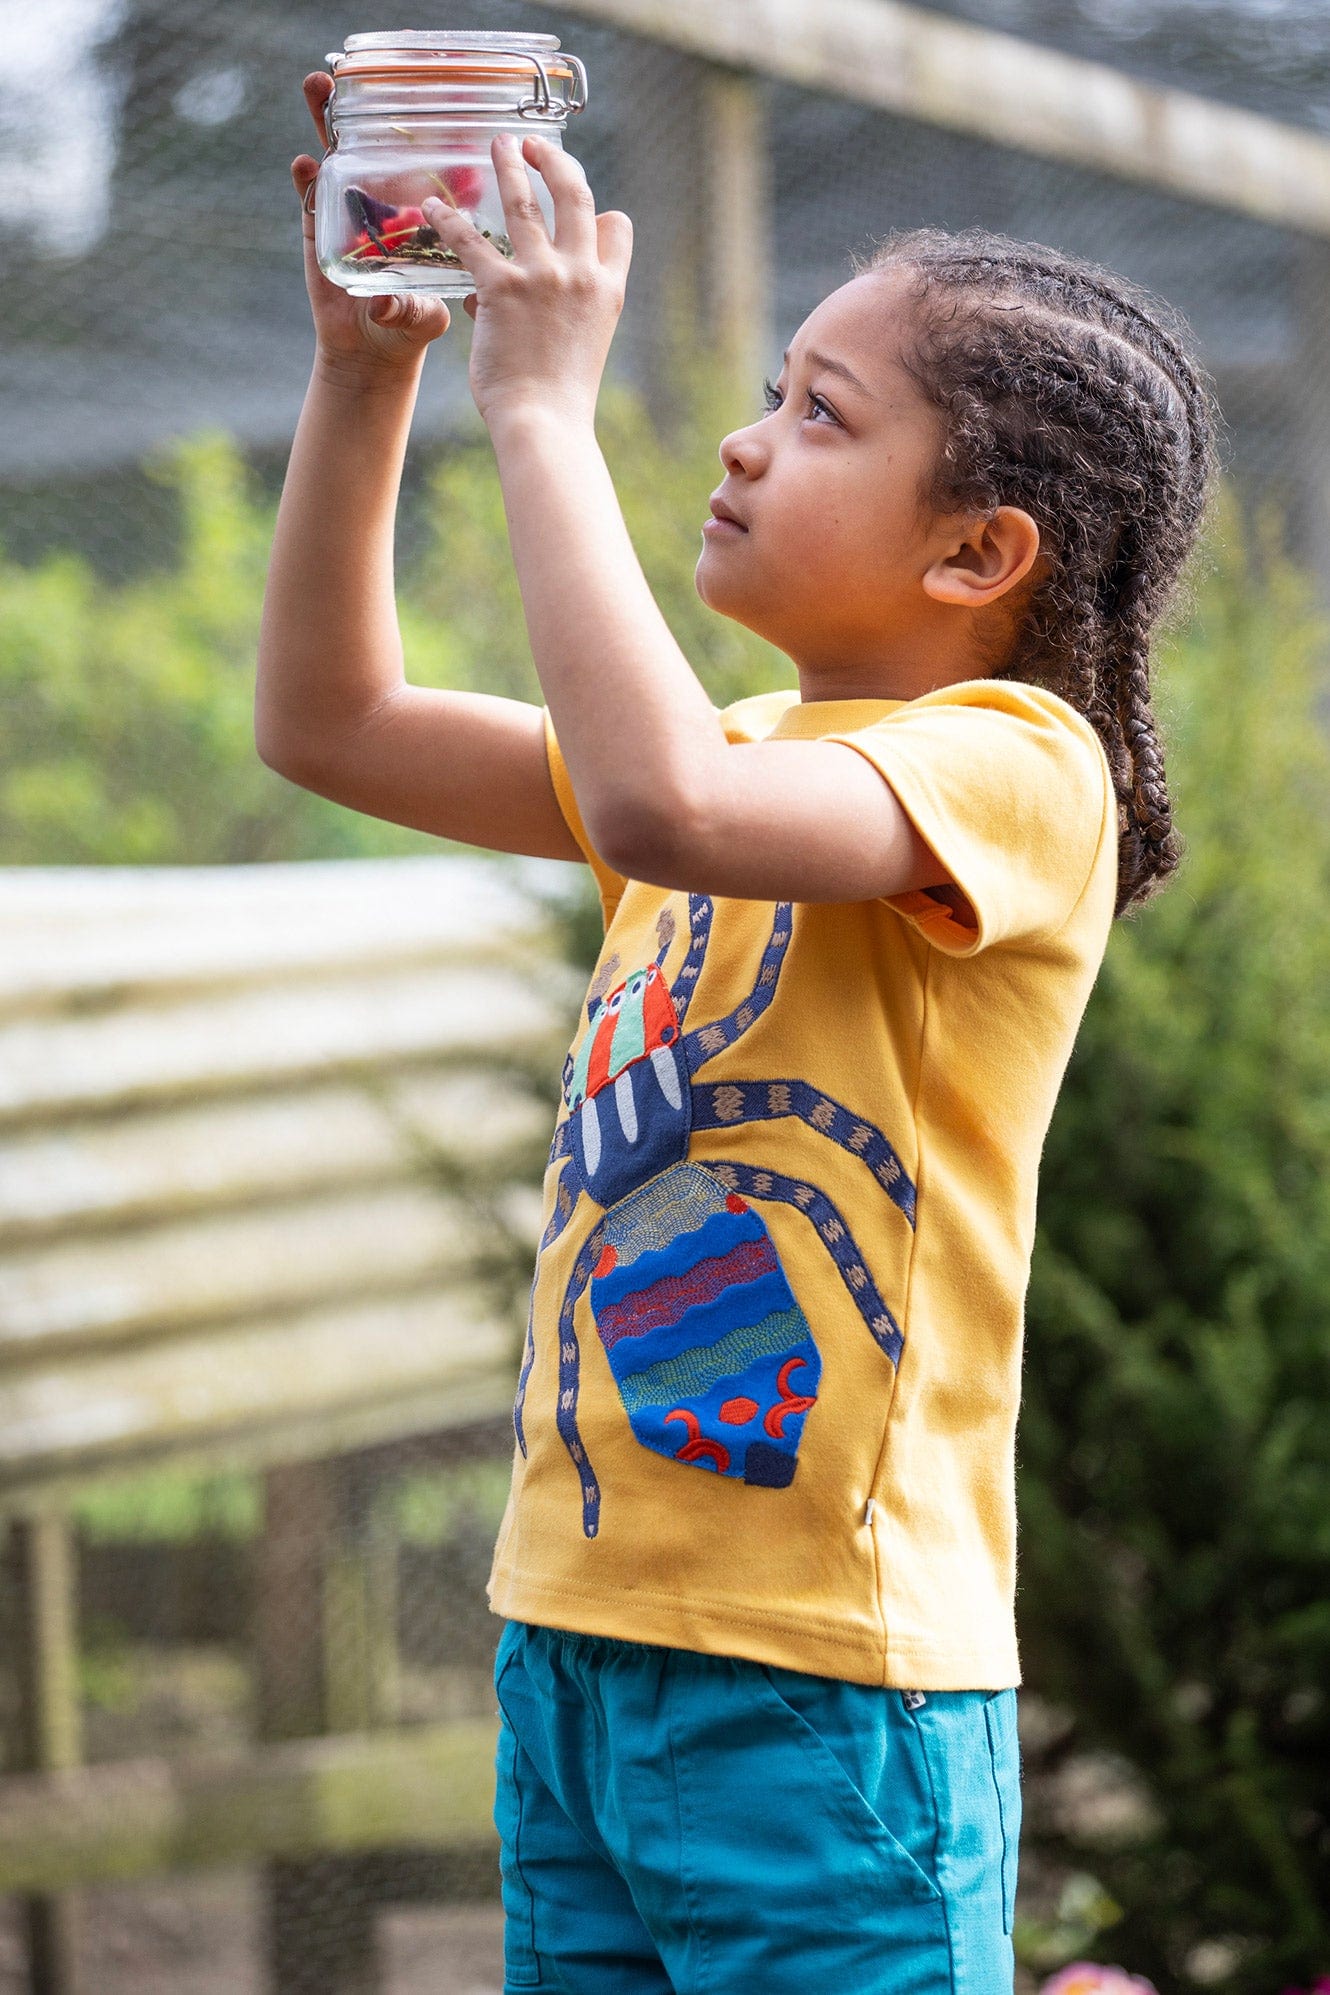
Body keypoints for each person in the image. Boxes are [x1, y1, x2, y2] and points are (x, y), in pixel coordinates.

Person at [259, 72, 1217, 1995]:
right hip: (580, 1638)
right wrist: (369, 381)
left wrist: (536, 406)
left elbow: (663, 819)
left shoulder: (1021, 772)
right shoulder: (749, 748)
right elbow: (332, 723)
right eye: (774, 392)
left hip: (826, 1690)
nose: (745, 439)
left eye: (817, 414)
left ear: (977, 556)